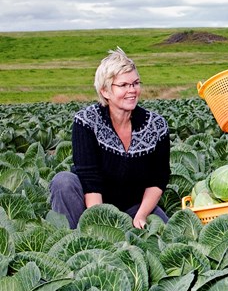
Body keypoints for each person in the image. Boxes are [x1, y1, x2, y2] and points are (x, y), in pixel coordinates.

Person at [50, 48, 171, 229]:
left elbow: (158, 178)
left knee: (169, 233)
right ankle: (72, 238)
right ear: (105, 91)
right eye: (123, 85)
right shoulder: (87, 121)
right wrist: (100, 226)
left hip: (134, 205)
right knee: (63, 182)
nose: (132, 90)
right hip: (89, 205)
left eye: (136, 83)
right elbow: (90, 180)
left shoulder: (156, 125)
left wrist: (141, 216)